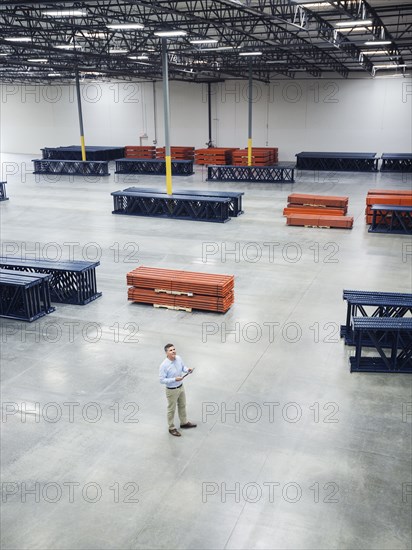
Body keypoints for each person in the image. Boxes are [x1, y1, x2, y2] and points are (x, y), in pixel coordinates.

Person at [159, 343, 197, 437]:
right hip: (171, 390)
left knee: (182, 405)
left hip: (181, 387)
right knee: (171, 409)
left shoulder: (178, 358)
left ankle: (184, 423)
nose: (173, 351)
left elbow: (183, 367)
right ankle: (171, 428)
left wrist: (188, 370)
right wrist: (174, 379)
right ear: (166, 353)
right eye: (170, 350)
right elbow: (162, 380)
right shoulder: (164, 365)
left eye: (174, 349)